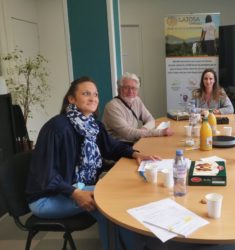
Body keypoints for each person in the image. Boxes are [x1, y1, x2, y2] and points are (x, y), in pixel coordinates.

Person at [25, 76, 164, 250]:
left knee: (120, 199)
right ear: (71, 99)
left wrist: (135, 154)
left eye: (96, 94)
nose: (93, 98)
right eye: (86, 94)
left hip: (76, 187)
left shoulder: (93, 126)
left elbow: (111, 147)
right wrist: (74, 192)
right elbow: (45, 175)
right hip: (47, 197)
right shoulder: (56, 128)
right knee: (111, 204)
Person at [103, 72, 173, 145]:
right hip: (118, 147)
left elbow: (150, 119)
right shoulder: (112, 106)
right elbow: (128, 133)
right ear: (119, 89)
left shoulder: (136, 100)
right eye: (126, 88)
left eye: (134, 88)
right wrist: (160, 132)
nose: (130, 91)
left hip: (134, 142)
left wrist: (144, 129)